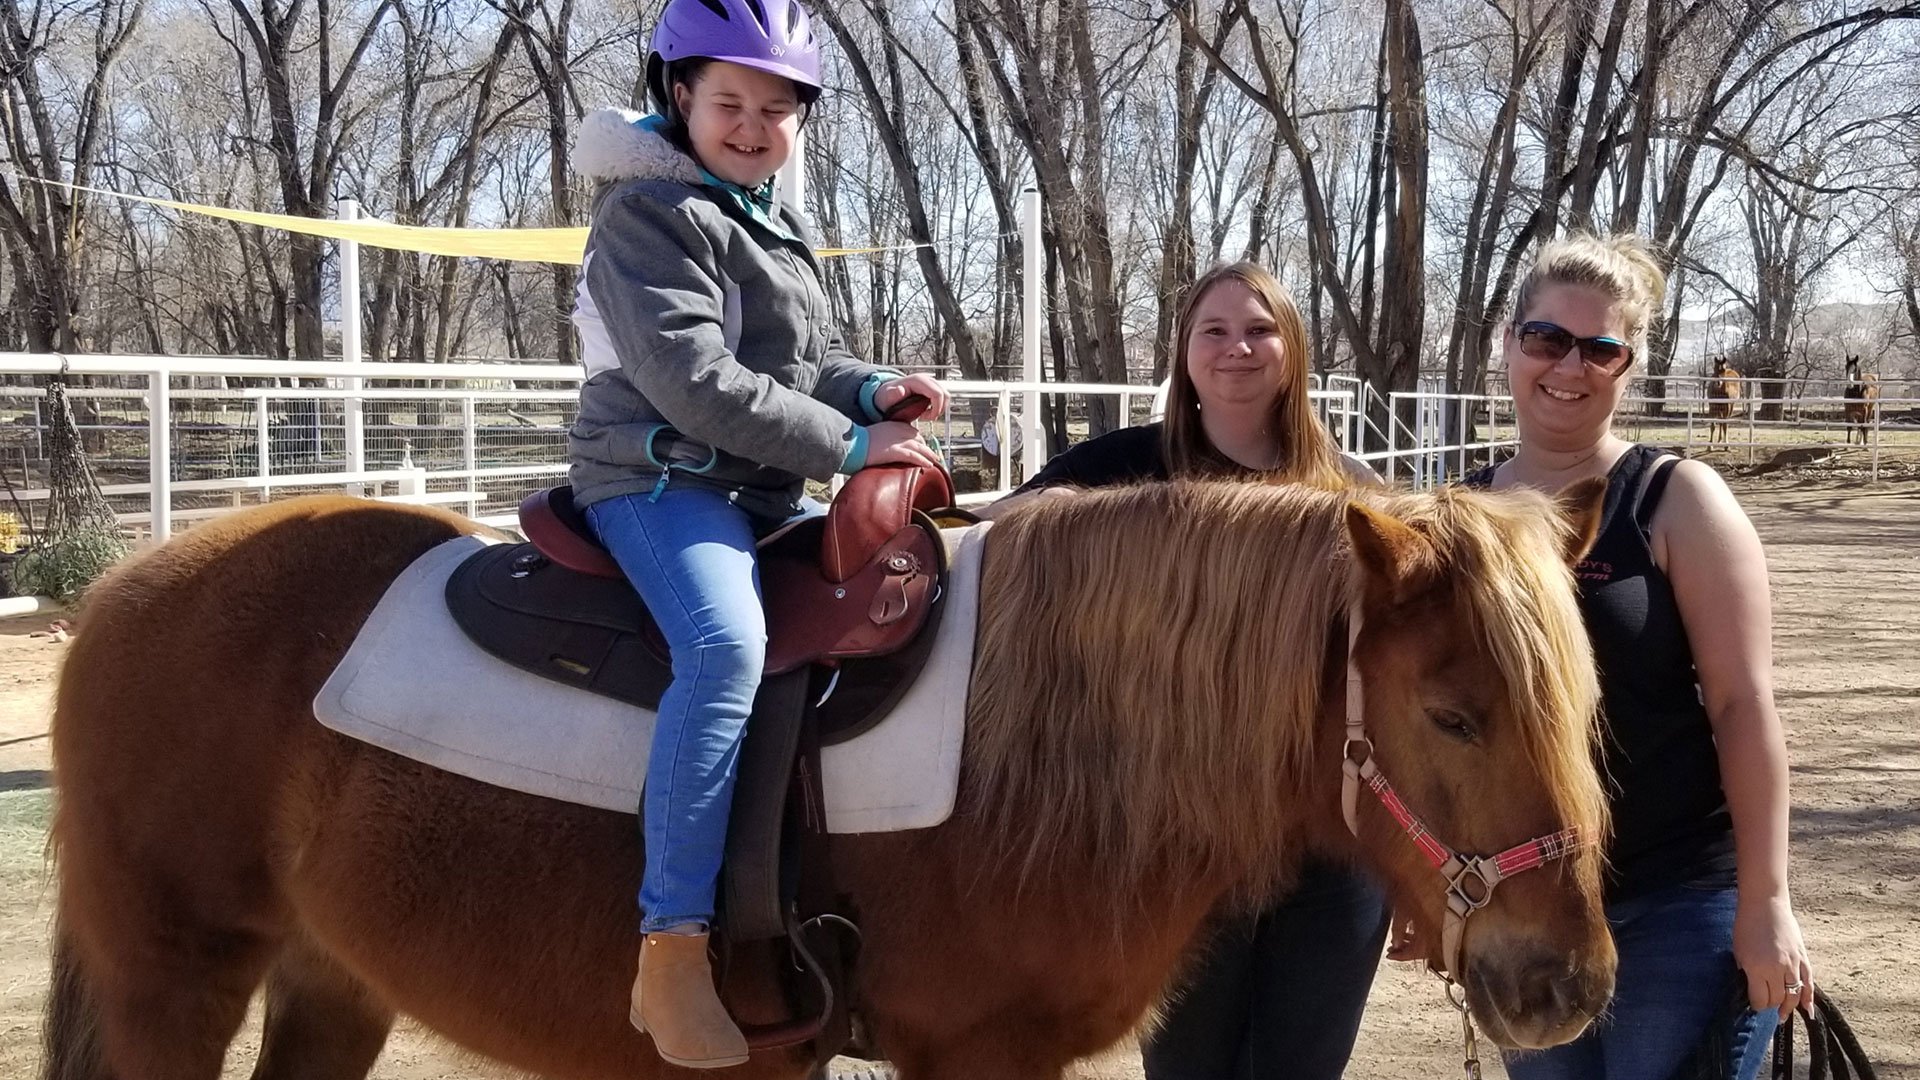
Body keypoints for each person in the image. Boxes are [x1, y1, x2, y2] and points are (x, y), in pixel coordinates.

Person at [566, 0, 949, 1066]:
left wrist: (873, 390)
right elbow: (693, 379)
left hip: (756, 491)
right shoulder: (647, 216)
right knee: (726, 646)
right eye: (729, 102)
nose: (750, 125)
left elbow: (798, 367)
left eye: (775, 109)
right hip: (659, 481)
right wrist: (849, 444)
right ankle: (672, 947)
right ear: (679, 96)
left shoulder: (764, 218)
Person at [985, 261, 1388, 1080]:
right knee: (1188, 1067)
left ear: (1293, 348)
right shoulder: (1119, 470)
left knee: (1303, 1068)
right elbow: (988, 537)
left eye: (1260, 330)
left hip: (1330, 854)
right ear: (1184, 351)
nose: (1237, 348)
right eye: (1215, 330)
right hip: (1179, 848)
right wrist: (1049, 521)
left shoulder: (1355, 492)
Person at [1449, 233, 1812, 1080]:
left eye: (1600, 348)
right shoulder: (1461, 515)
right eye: (1547, 339)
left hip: (1677, 900)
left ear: (1631, 364)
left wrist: (1767, 901)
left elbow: (1742, 706)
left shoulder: (1676, 500)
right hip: (1524, 909)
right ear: (1509, 343)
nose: (1568, 367)